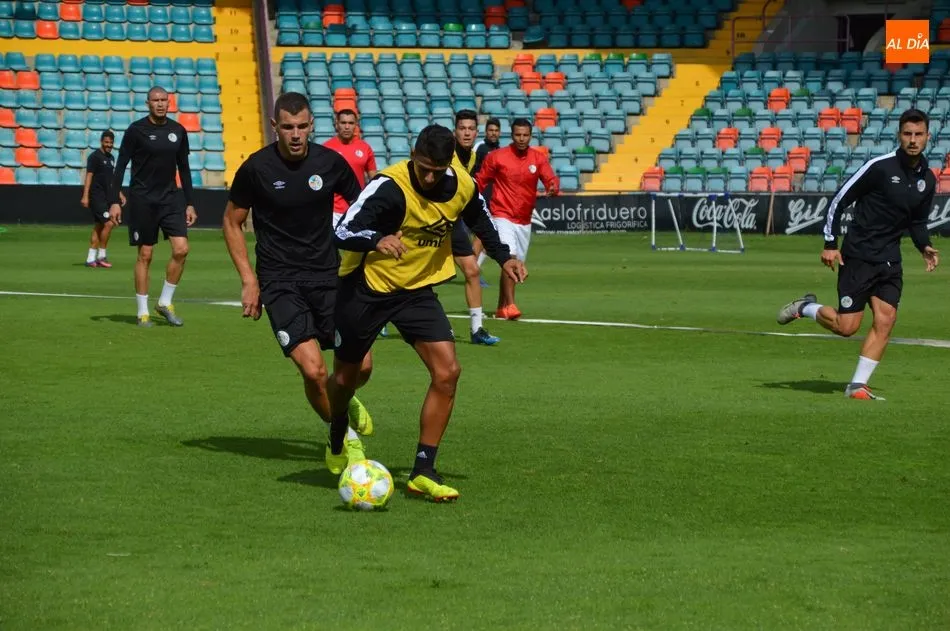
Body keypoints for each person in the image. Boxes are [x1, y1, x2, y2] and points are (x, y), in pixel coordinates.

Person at [328, 125, 526, 501]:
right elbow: (343, 230)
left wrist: (505, 258)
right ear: (412, 156)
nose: (430, 176)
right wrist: (377, 239)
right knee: (348, 378)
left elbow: (479, 220)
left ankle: (422, 470)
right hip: (366, 287)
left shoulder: (463, 185)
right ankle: (337, 428)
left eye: (437, 169)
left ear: (449, 162)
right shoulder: (389, 186)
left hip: (417, 289)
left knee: (448, 372)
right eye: (423, 167)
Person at [222, 92, 375, 473]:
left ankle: (344, 395)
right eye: (287, 127)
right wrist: (248, 280)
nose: (295, 134)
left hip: (328, 277)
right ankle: (344, 441)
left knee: (364, 366)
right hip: (279, 281)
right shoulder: (256, 169)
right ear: (275, 127)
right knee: (314, 371)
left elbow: (363, 209)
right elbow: (231, 222)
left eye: (302, 126)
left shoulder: (331, 163)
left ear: (312, 126)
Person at [776, 108, 939, 400]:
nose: (913, 140)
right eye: (907, 134)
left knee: (886, 320)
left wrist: (923, 245)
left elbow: (916, 221)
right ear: (899, 135)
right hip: (859, 255)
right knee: (847, 326)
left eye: (919, 134)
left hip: (890, 259)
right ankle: (805, 308)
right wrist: (829, 243)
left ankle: (856, 386)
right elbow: (840, 199)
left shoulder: (928, 178)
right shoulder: (879, 167)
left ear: (928, 136)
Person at [108, 86, 198, 328]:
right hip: (142, 200)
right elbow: (121, 165)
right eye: (155, 100)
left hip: (170, 199)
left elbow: (184, 169)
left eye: (164, 100)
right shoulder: (136, 130)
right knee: (145, 254)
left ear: (169, 103)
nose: (160, 104)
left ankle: (165, 302)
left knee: (181, 249)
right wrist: (114, 200)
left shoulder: (177, 131)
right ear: (147, 103)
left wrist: (189, 202)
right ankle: (142, 312)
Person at [475, 118, 559, 320]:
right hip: (502, 214)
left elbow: (551, 179)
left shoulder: (538, 159)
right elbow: (480, 181)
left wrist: (553, 187)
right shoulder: (497, 157)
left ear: (531, 136)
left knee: (515, 264)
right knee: (510, 258)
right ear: (511, 135)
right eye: (517, 135)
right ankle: (511, 305)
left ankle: (501, 307)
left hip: (524, 220)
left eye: (525, 135)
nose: (521, 138)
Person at [449, 110, 500, 345]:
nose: (467, 132)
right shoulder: (445, 153)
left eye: (471, 129)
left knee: (472, 271)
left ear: (476, 132)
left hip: (453, 221)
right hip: (429, 221)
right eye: (462, 128)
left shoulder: (471, 158)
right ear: (455, 131)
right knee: (418, 275)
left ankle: (477, 329)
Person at [322, 108, 377, 219]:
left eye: (351, 123)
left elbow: (374, 179)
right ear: (336, 124)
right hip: (333, 210)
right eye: (343, 123)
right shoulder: (326, 148)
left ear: (356, 125)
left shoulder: (365, 148)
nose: (347, 127)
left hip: (357, 207)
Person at [80, 130, 124, 268]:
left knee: (99, 226)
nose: (108, 145)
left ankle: (90, 258)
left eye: (111, 143)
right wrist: (85, 196)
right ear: (101, 142)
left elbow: (110, 179)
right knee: (109, 223)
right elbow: (89, 176)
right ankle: (101, 256)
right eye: (106, 142)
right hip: (96, 196)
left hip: (107, 197)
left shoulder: (111, 158)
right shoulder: (94, 157)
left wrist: (119, 193)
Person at [471, 117, 501, 282]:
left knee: (488, 236)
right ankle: (472, 271)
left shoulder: (501, 151)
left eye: (496, 130)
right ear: (486, 131)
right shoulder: (480, 148)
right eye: (491, 130)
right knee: (481, 236)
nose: (493, 133)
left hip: (494, 198)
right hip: (479, 196)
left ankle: (474, 270)